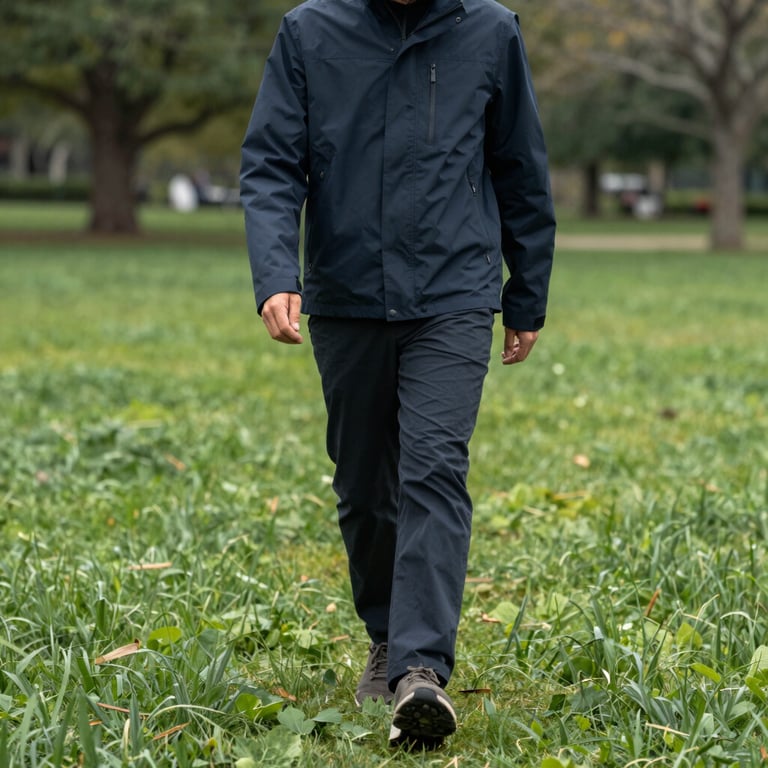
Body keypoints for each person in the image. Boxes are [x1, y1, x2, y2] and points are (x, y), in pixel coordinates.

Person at [240, 0, 555, 749]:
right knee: (361, 482)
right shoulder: (309, 31)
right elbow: (272, 164)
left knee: (434, 468)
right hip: (346, 295)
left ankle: (419, 671)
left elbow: (520, 165)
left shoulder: (490, 30)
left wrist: (527, 291)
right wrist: (274, 272)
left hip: (451, 295)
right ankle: (386, 634)